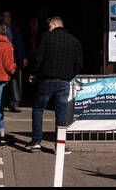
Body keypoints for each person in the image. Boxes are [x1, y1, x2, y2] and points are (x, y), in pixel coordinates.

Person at [28, 16, 82, 151]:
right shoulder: (74, 41)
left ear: (53, 25)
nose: (48, 29)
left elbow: (38, 58)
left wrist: (34, 73)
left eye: (49, 27)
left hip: (46, 80)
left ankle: (36, 141)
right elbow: (79, 64)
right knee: (61, 113)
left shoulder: (47, 37)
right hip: (64, 82)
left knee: (38, 109)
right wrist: (68, 76)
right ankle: (60, 145)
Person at [1, 10, 25, 112]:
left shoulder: (14, 29)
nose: (8, 18)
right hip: (2, 58)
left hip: (14, 58)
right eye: (6, 16)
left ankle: (14, 104)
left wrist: (23, 57)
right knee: (3, 81)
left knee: (15, 81)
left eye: (9, 16)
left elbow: (20, 44)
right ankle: (4, 103)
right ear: (1, 17)